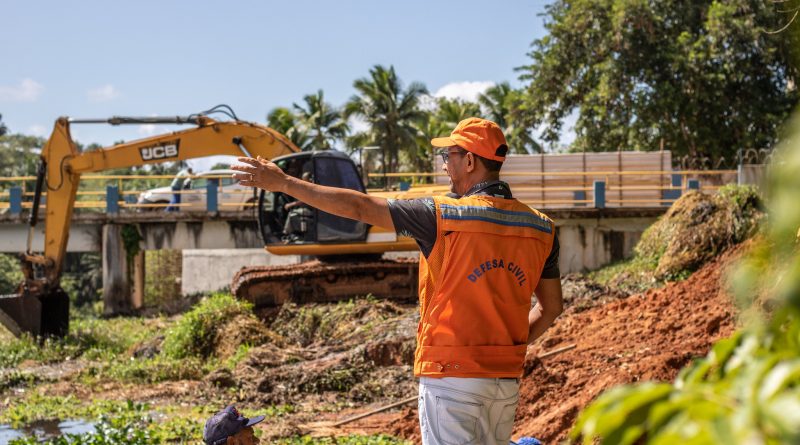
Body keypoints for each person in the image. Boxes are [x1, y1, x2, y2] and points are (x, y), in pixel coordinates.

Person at [232, 117, 563, 445]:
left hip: (450, 377)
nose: (445, 165)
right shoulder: (541, 228)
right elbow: (551, 307)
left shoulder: (443, 215)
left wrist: (286, 184)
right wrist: (507, 350)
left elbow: (360, 206)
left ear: (471, 161)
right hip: (505, 383)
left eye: (449, 157)